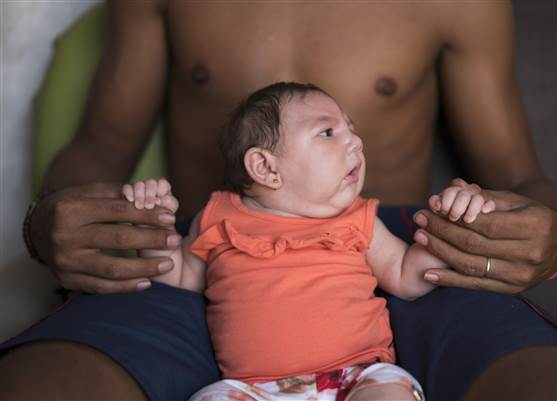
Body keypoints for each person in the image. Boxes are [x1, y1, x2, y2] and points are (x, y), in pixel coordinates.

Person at [0, 1, 557, 401]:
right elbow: (101, 143)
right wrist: (48, 219)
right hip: (208, 251)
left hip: (393, 242)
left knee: (555, 384)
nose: (351, 139)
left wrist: (554, 237)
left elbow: (520, 175)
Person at [123, 82, 497, 401]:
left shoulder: (359, 218)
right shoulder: (219, 218)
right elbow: (179, 277)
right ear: (266, 168)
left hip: (359, 376)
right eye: (328, 133)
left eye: (350, 129)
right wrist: (151, 226)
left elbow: (408, 277)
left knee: (390, 392)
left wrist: (454, 221)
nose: (355, 142)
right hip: (252, 390)